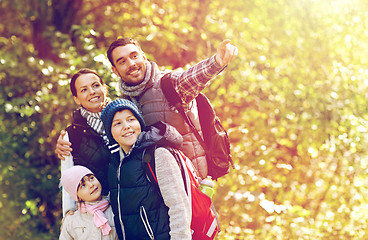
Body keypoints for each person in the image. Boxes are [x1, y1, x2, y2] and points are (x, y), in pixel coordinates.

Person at [56, 38, 238, 179]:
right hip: (156, 189)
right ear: (115, 70)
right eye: (122, 61)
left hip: (193, 183)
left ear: (143, 56)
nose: (131, 64)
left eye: (134, 56)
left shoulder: (169, 84)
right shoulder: (124, 103)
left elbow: (192, 77)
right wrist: (64, 141)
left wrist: (216, 62)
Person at [100, 98, 192, 240]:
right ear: (110, 132)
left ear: (140, 123)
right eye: (117, 123)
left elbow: (179, 208)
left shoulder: (157, 155)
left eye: (131, 119)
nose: (126, 126)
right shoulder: (114, 165)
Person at [59, 68, 119, 215]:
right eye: (84, 90)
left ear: (104, 88)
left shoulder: (124, 116)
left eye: (96, 85)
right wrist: (69, 213)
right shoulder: (71, 135)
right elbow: (69, 180)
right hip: (100, 214)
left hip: (135, 202)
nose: (92, 92)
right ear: (76, 98)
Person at [59, 165, 118, 240]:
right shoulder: (71, 220)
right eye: (83, 186)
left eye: (91, 178)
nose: (91, 185)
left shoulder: (115, 211)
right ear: (77, 196)